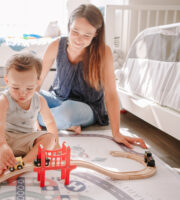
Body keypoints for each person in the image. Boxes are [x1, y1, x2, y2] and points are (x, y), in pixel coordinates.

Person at [37, 4, 147, 149]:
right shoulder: (56, 45)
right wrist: (32, 101)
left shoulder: (103, 52)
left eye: (86, 35)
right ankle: (63, 124)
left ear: (96, 34)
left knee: (65, 111)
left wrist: (116, 132)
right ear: (69, 26)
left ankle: (43, 118)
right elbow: (37, 82)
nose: (78, 39)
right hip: (57, 98)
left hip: (87, 107)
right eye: (75, 31)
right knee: (30, 96)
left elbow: (111, 95)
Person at [0, 54, 59, 180]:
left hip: (26, 140)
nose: (22, 93)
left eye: (29, 88)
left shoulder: (39, 100)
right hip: (3, 137)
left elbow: (49, 121)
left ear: (37, 82)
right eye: (15, 88)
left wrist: (56, 143)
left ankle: (23, 165)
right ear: (7, 81)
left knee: (49, 138)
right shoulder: (3, 99)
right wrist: (1, 145)